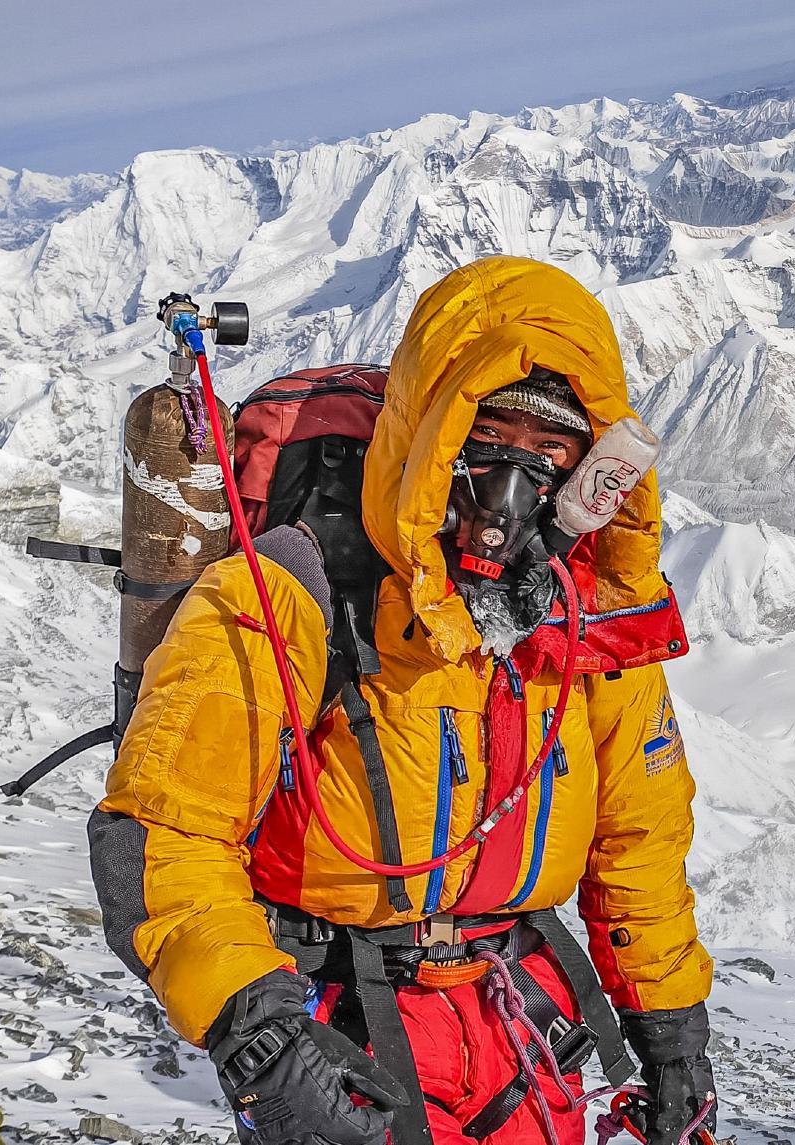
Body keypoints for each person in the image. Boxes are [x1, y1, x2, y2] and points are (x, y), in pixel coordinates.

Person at [88, 256, 715, 1145]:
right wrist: (265, 1038)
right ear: (432, 436)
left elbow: (639, 842)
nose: (514, 481)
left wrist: (673, 1035)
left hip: (522, 1029)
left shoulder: (586, 619)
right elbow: (165, 829)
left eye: (550, 452)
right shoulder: (294, 589)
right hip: (343, 1031)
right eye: (488, 435)